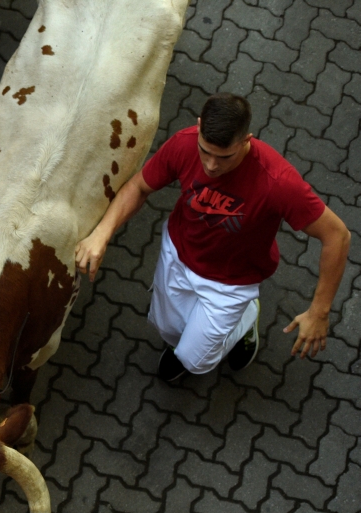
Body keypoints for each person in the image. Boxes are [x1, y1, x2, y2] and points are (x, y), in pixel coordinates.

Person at [75, 93, 351, 382]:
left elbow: (337, 236)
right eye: (205, 151)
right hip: (178, 254)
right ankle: (196, 338)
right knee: (167, 329)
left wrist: (319, 312)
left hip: (231, 282)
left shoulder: (278, 182)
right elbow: (139, 186)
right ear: (198, 127)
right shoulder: (183, 143)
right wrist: (102, 233)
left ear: (246, 140)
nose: (211, 165)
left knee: (194, 360)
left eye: (224, 157)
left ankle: (245, 319)